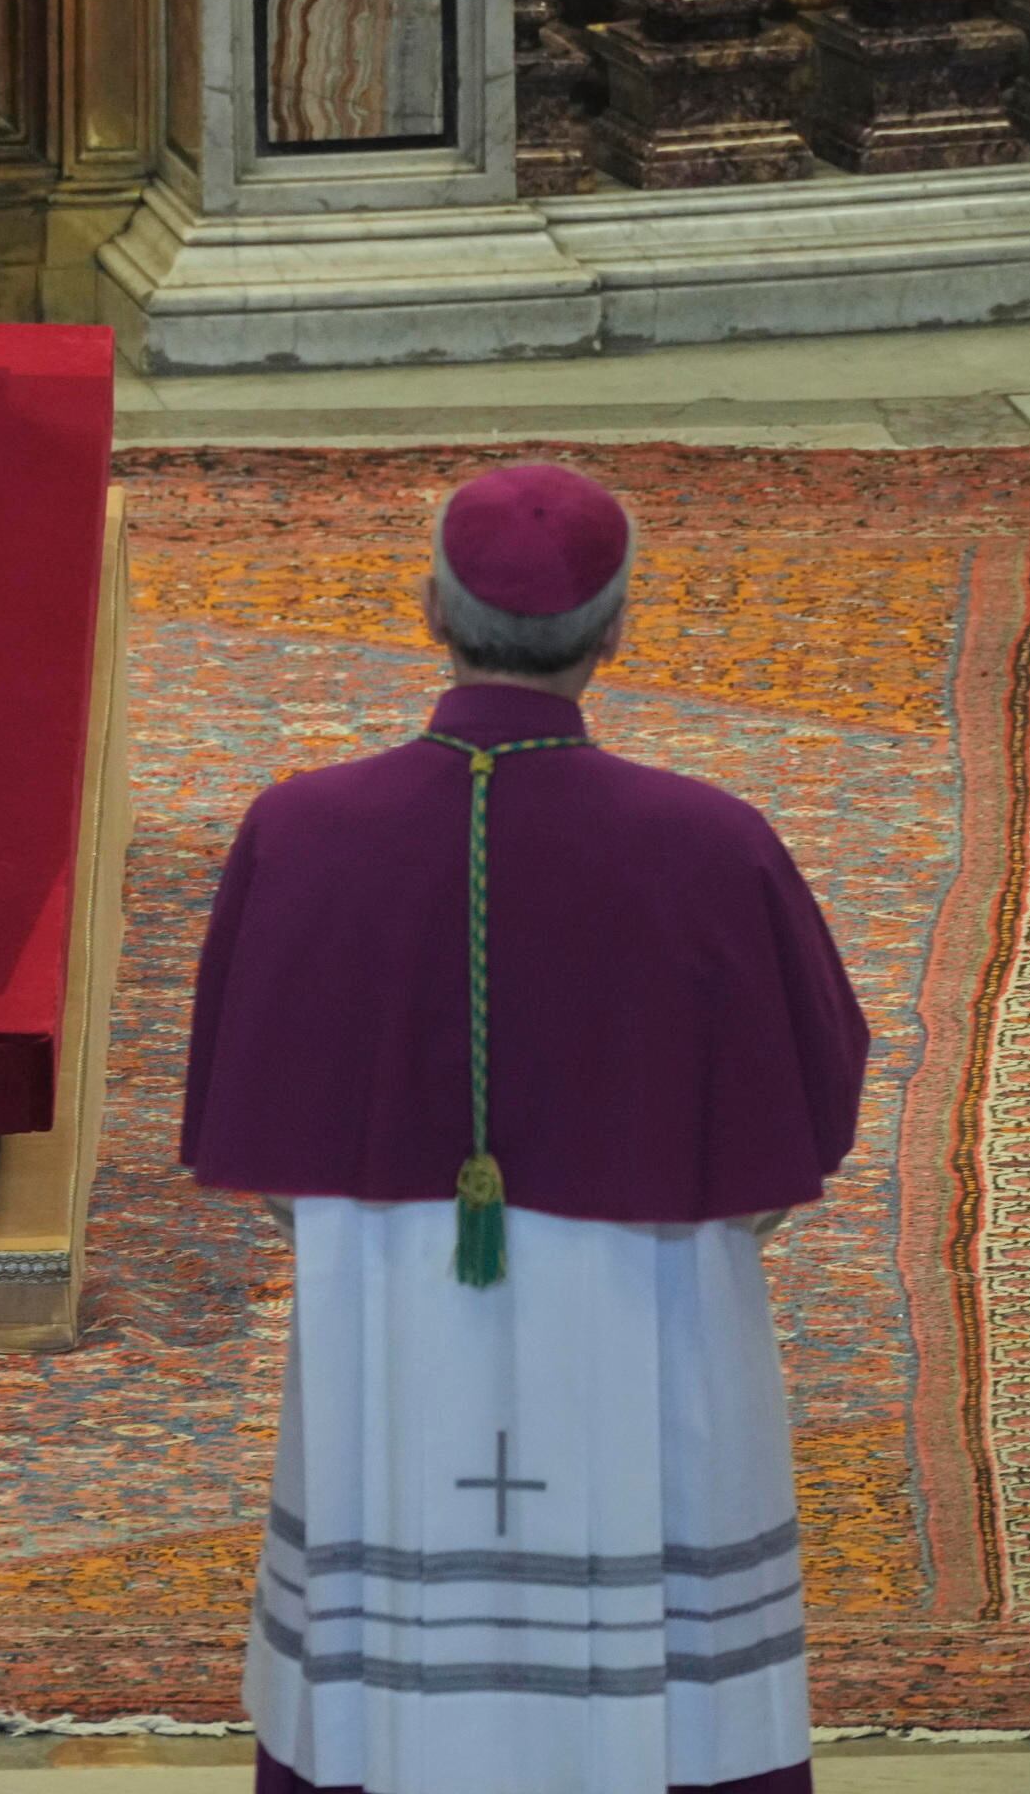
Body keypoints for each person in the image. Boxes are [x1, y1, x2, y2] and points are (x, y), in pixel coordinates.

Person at [182, 462, 867, 1794]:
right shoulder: (715, 844)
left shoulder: (301, 831)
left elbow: (250, 1114)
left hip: (381, 1300)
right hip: (656, 1305)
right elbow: (810, 1109)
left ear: (431, 608)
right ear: (618, 629)